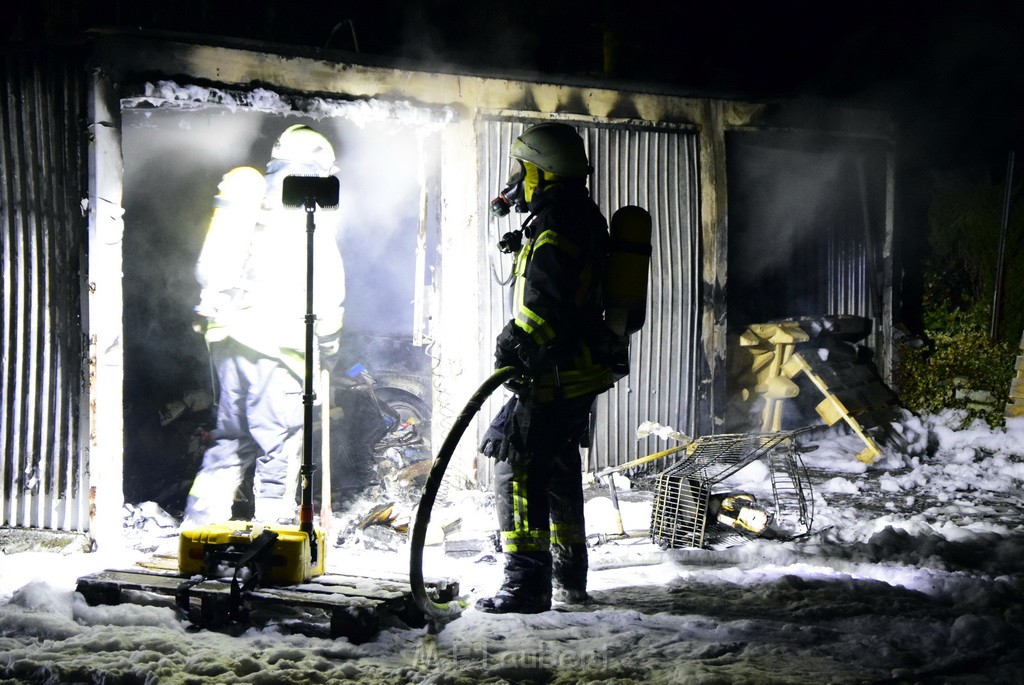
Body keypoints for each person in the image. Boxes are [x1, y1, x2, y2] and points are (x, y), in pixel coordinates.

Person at [476, 122, 616, 614]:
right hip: (577, 371)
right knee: (557, 469)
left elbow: (548, 307)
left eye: (524, 168)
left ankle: (525, 587)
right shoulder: (578, 215)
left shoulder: (557, 225)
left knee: (516, 466)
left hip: (556, 373)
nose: (518, 178)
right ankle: (569, 580)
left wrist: (513, 343)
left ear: (542, 170)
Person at [182, 124, 346, 528]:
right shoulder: (309, 217)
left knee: (231, 437)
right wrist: (329, 348)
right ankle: (271, 533)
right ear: (321, 166)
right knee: (280, 442)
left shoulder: (255, 205)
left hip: (229, 341)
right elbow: (326, 292)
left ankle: (200, 526)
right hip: (281, 348)